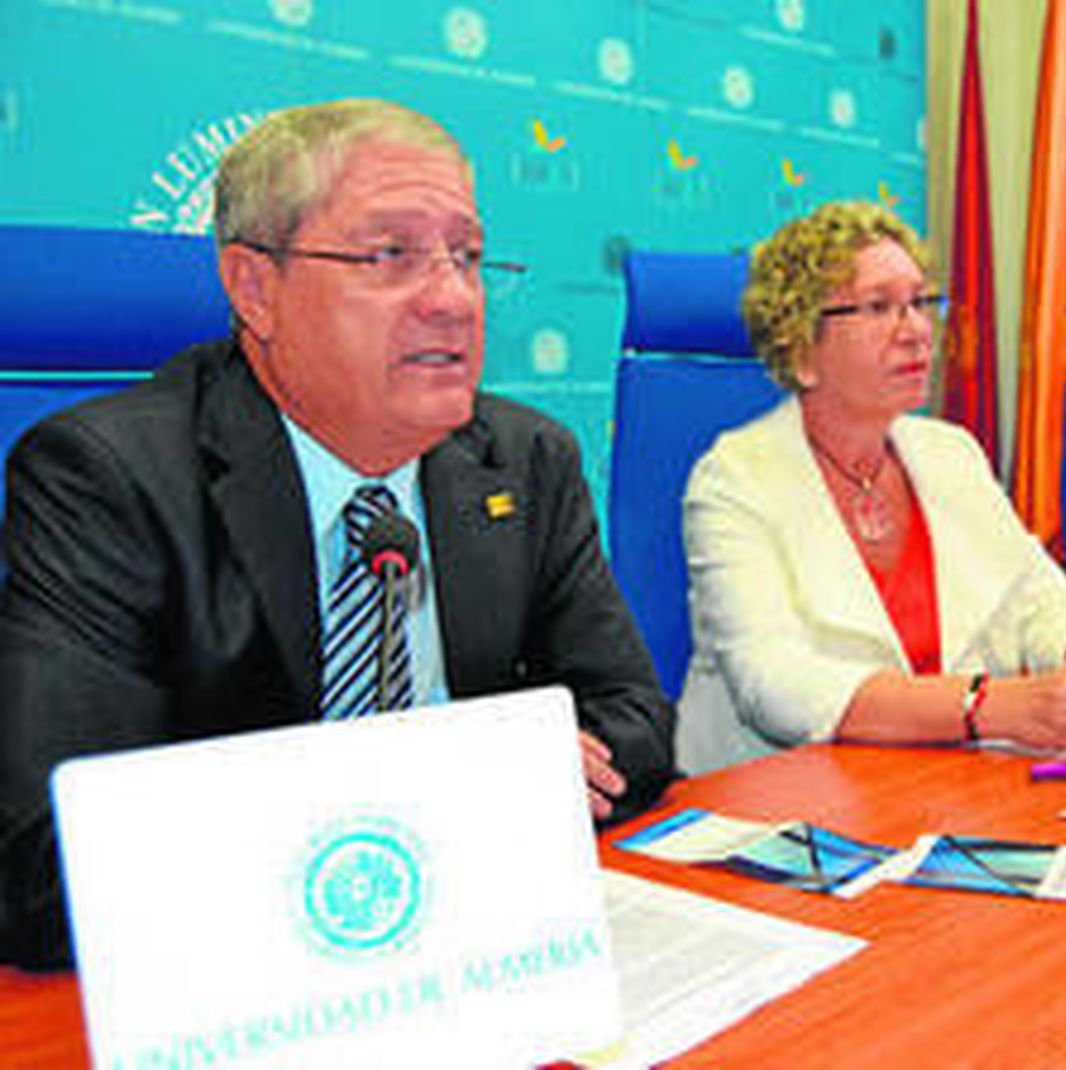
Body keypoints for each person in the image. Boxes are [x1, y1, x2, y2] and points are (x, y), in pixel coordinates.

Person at [0, 100, 675, 969]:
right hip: (239, 977)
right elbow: (46, 870)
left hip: (478, 942)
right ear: (255, 289)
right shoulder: (111, 478)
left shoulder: (524, 460)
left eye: (467, 257)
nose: (453, 299)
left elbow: (636, 721)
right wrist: (454, 785)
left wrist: (493, 784)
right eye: (389, 255)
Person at [675, 201, 1066, 775]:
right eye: (879, 307)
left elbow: (1036, 599)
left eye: (921, 303)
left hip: (939, 778)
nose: (917, 331)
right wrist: (983, 706)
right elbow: (775, 683)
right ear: (800, 350)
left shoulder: (949, 453)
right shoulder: (735, 480)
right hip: (778, 792)